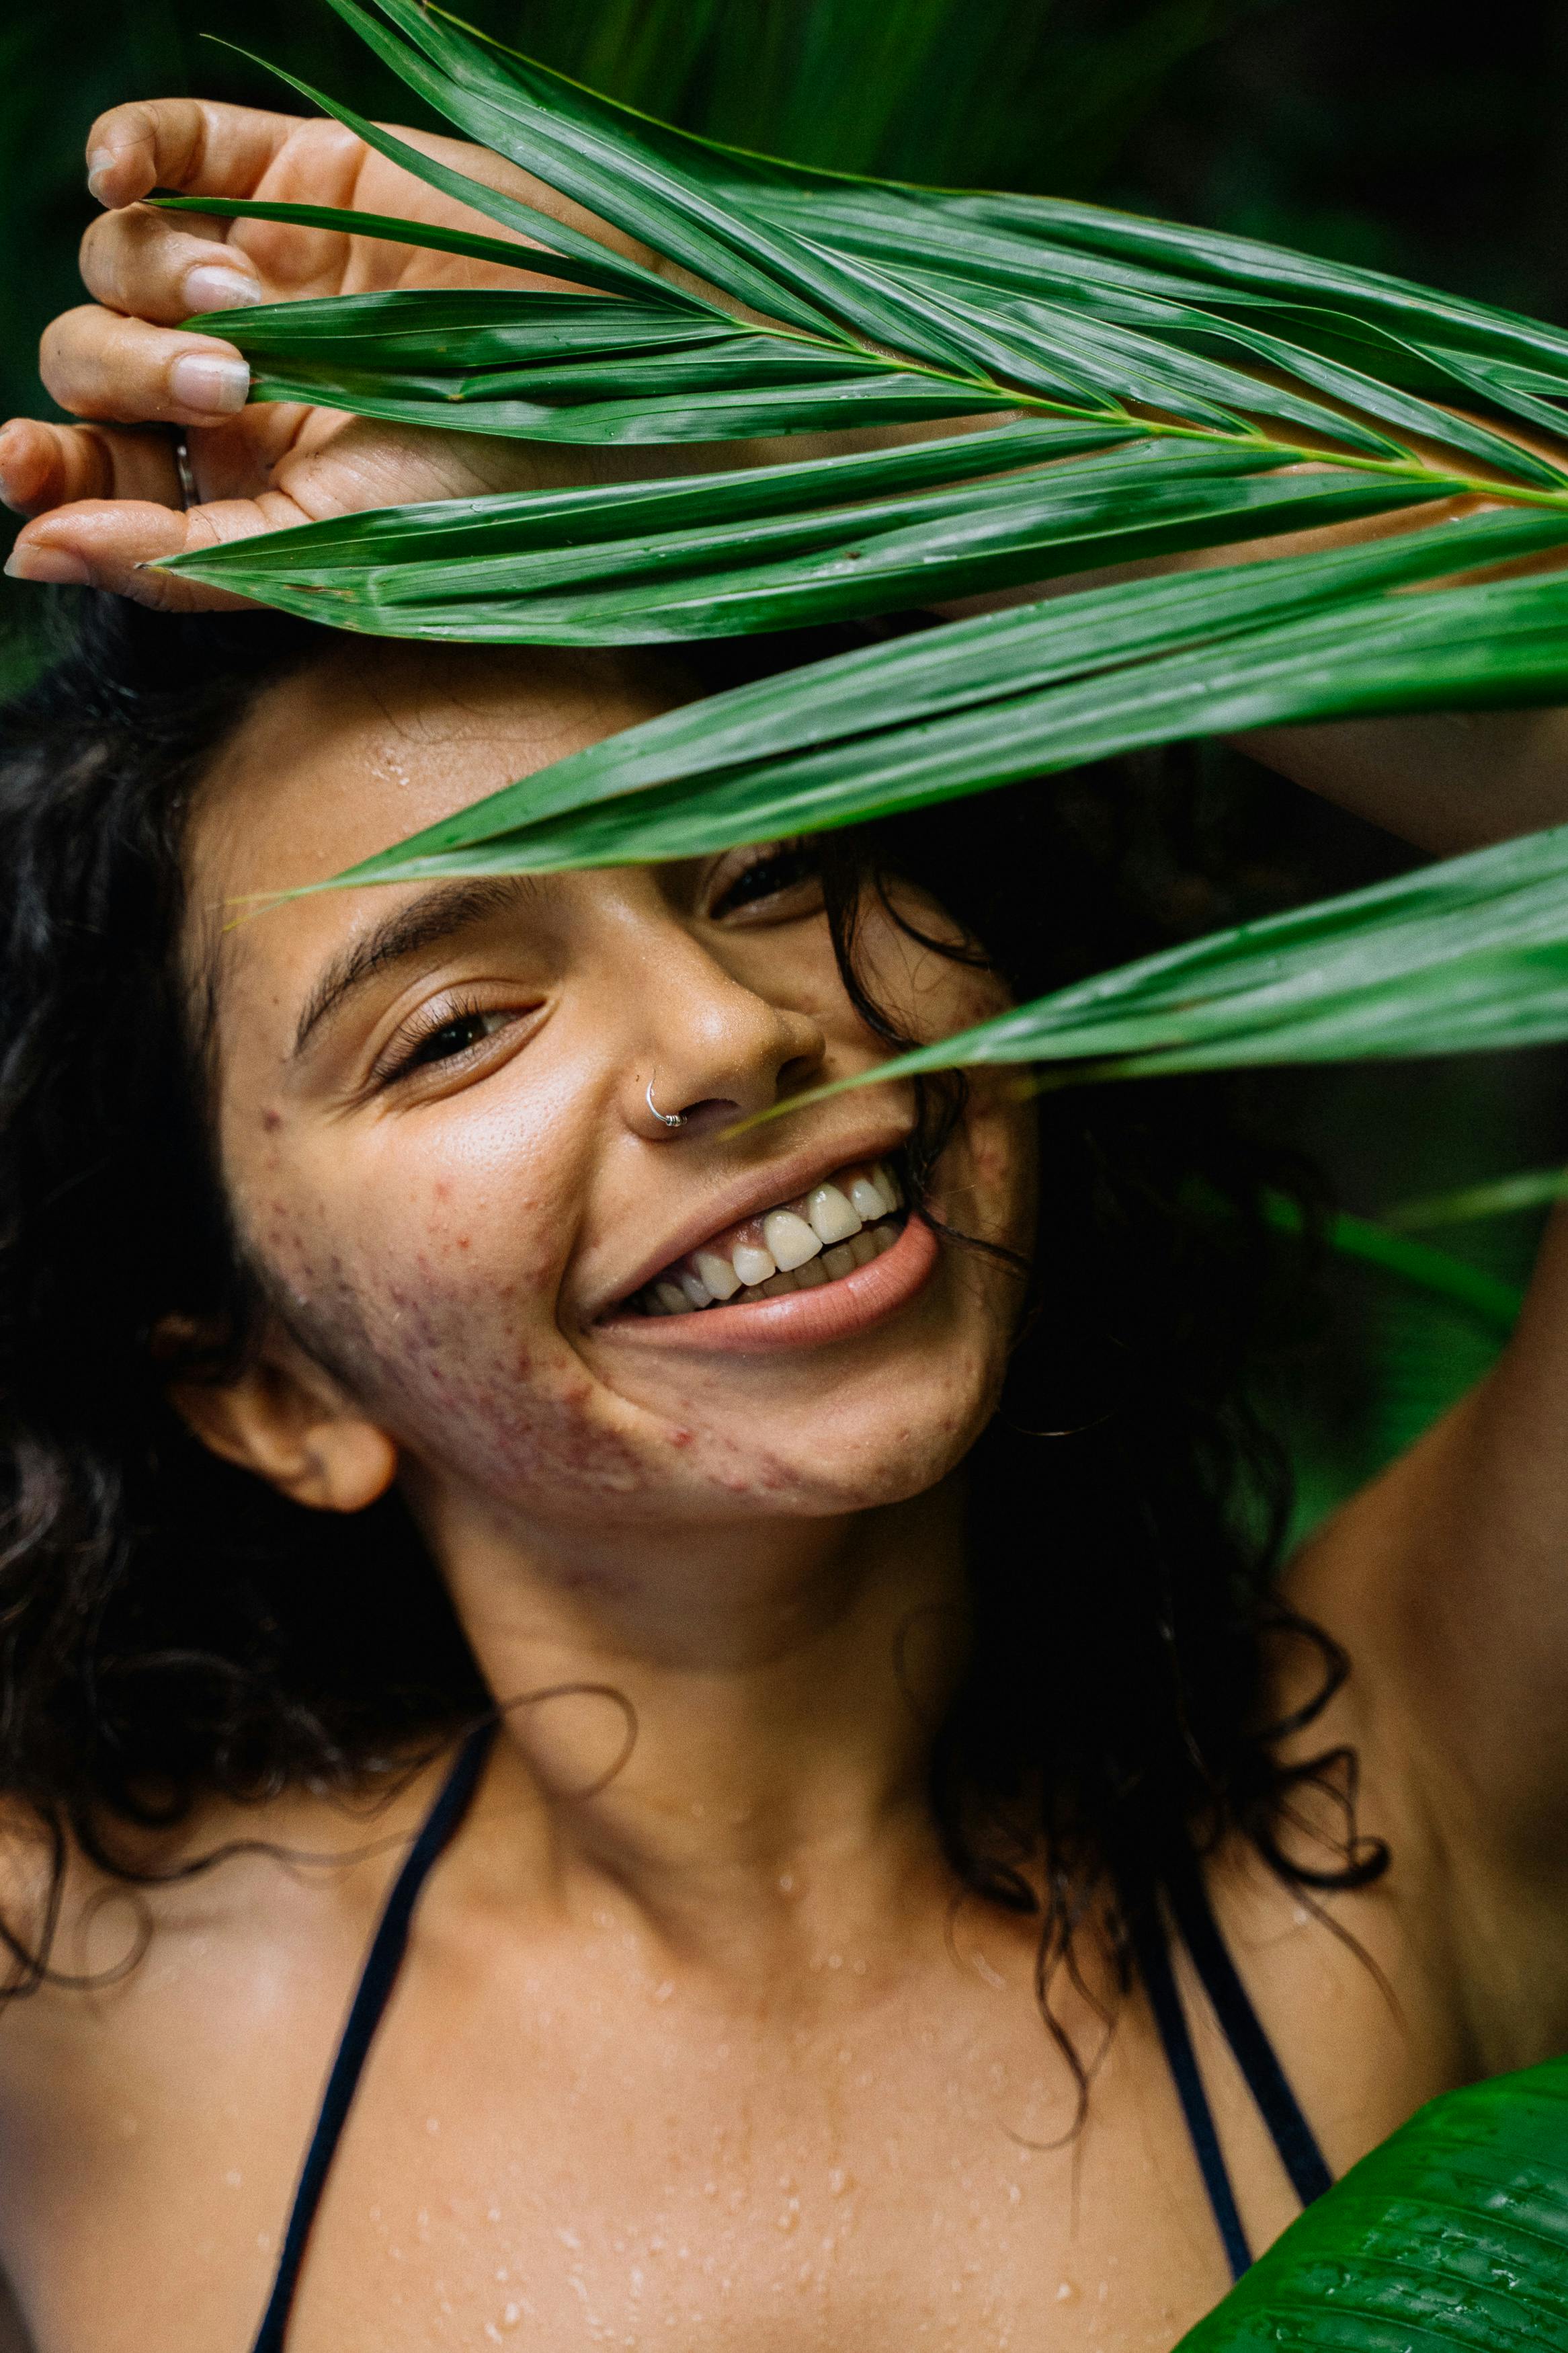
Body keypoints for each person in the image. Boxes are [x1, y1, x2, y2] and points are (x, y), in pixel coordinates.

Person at [1, 95, 1567, 2353]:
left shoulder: (1406, 1819)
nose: (726, 1031)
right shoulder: (103, 1999)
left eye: (771, 853)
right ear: (263, 1381)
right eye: (452, 1027)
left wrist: (732, 391)